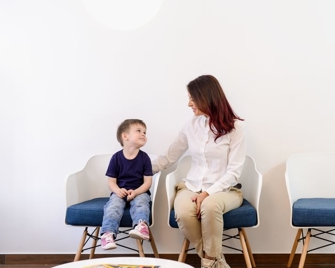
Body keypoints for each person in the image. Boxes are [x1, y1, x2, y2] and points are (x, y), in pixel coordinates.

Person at [153, 75, 246, 268]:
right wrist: (136, 170)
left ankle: (209, 262)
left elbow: (234, 172)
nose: (189, 104)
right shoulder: (191, 126)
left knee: (210, 206)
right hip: (191, 186)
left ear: (206, 97)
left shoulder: (236, 127)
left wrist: (207, 193)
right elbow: (169, 157)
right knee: (184, 213)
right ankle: (215, 261)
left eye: (192, 99)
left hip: (226, 191)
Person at [100, 119, 153, 250]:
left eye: (145, 132)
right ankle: (108, 234)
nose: (143, 134)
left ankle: (141, 227)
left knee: (141, 203)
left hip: (139, 192)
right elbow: (111, 181)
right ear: (125, 136)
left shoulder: (144, 158)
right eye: (139, 131)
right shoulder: (116, 158)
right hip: (120, 192)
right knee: (113, 206)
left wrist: (136, 192)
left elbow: (148, 182)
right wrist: (118, 191)